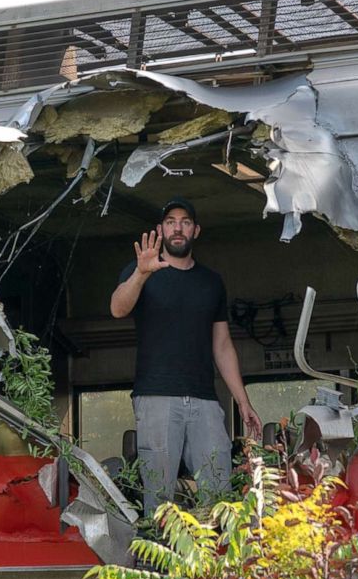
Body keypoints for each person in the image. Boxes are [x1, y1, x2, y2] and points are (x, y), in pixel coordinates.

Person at [111, 197, 262, 513]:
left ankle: (215, 562)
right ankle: (157, 561)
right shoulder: (141, 270)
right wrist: (140, 274)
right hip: (156, 397)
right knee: (159, 495)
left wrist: (243, 401)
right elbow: (117, 309)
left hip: (205, 400)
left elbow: (221, 345)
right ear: (160, 229)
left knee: (219, 489)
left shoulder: (211, 282)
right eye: (170, 222)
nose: (177, 228)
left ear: (196, 230)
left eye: (184, 222)